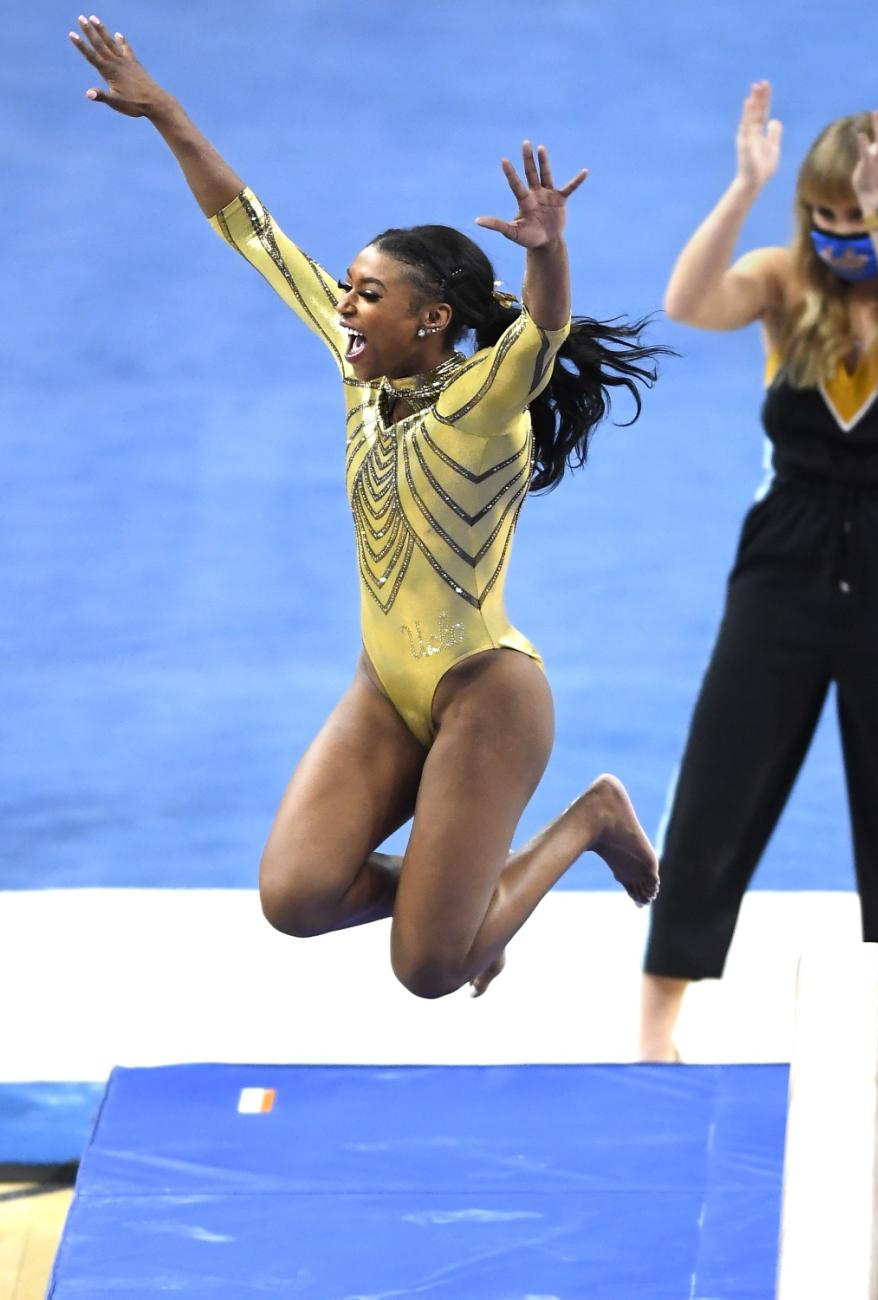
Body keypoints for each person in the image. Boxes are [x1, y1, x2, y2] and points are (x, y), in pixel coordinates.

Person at [70, 15, 665, 1000]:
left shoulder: (480, 406)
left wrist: (547, 251)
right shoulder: (358, 371)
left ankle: (590, 820)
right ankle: (476, 894)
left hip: (485, 697)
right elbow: (250, 230)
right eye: (347, 289)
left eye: (368, 294)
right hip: (385, 684)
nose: (344, 306)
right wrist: (166, 112)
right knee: (296, 893)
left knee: (429, 968)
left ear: (429, 320)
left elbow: (545, 330)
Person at [640, 82, 878, 1061]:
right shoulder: (786, 285)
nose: (836, 236)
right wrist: (744, 188)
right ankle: (657, 1029)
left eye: (852, 215)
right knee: (721, 778)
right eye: (821, 217)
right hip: (784, 555)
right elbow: (688, 302)